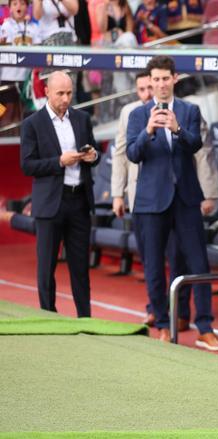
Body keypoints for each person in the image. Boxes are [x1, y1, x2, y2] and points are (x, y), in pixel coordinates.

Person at [126, 55, 218, 350]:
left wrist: (177, 129)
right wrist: (149, 131)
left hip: (185, 197)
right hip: (150, 200)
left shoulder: (189, 110)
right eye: (155, 80)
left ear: (174, 79)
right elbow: (133, 154)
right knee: (154, 265)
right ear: (151, 82)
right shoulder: (136, 114)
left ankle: (205, 326)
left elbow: (196, 145)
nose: (160, 84)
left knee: (199, 263)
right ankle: (162, 324)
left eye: (165, 79)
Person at [19, 70, 100, 317]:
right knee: (46, 267)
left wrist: (92, 156)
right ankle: (48, 316)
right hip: (50, 202)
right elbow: (28, 165)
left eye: (69, 93)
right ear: (47, 93)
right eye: (60, 94)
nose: (65, 99)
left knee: (80, 267)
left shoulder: (82, 119)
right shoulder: (32, 123)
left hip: (79, 201)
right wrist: (59, 161)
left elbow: (94, 154)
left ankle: (85, 317)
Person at [0, 0, 41, 129]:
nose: (19, 7)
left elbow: (39, 50)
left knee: (22, 114)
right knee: (5, 112)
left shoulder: (34, 28)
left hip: (26, 80)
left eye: (23, 4)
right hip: (7, 78)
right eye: (15, 4)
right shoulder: (5, 26)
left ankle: (19, 142)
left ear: (28, 8)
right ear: (9, 8)